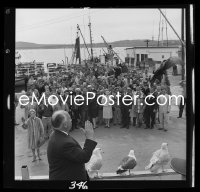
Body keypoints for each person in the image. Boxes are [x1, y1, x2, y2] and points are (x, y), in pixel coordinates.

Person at [47, 110, 97, 180]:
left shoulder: (55, 134)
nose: (71, 120)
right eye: (69, 118)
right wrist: (90, 138)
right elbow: (84, 157)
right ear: (65, 125)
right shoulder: (65, 143)